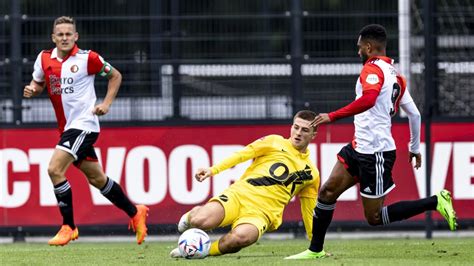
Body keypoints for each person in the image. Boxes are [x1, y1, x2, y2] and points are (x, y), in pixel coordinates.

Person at [286, 24, 457, 260]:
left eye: (359, 48)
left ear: (369, 47)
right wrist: (414, 148)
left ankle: (436, 201)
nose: (358, 52)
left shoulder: (372, 69)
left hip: (375, 154)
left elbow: (368, 99)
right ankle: (315, 250)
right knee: (326, 192)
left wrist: (332, 116)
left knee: (374, 218)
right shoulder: (395, 75)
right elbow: (414, 114)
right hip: (358, 148)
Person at [23, 16, 149, 246]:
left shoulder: (87, 58)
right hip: (67, 128)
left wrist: (106, 104)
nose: (64, 38)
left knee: (54, 169)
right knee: (97, 178)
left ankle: (68, 226)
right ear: (53, 38)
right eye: (60, 34)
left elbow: (115, 75)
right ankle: (134, 211)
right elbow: (39, 82)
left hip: (85, 124)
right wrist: (33, 89)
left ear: (75, 37)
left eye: (68, 34)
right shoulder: (43, 59)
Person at [169, 110, 321, 258]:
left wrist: (315, 245)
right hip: (239, 196)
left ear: (313, 135)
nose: (298, 133)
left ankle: (203, 251)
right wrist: (213, 170)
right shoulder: (274, 141)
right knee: (200, 221)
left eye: (305, 130)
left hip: (262, 214)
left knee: (240, 238)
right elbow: (242, 155)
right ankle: (190, 216)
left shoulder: (311, 174)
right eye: (296, 127)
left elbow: (308, 209)